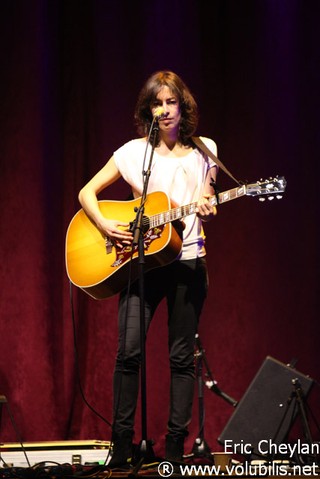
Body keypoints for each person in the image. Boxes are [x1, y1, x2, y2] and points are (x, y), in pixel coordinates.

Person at [78, 70, 219, 467]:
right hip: (141, 263)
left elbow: (205, 199)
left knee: (179, 358)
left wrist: (208, 203)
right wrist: (106, 224)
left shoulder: (205, 150)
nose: (164, 110)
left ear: (183, 106)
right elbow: (86, 192)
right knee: (128, 353)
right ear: (148, 110)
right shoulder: (132, 153)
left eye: (171, 102)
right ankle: (122, 446)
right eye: (157, 103)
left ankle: (175, 444)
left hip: (188, 261)